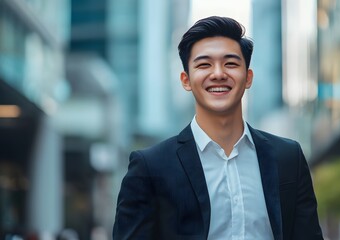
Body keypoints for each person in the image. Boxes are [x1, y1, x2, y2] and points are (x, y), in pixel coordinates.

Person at [113, 16, 323, 240]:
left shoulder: (288, 158)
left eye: (230, 63)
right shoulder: (150, 166)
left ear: (248, 77)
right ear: (186, 80)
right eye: (204, 64)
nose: (218, 74)